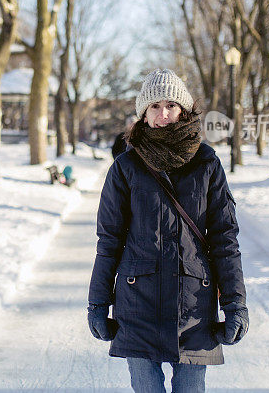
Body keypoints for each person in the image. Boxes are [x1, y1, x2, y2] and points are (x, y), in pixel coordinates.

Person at [87, 69, 248, 393]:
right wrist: (97, 304)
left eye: (171, 105)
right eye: (155, 106)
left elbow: (224, 239)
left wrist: (235, 304)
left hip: (194, 303)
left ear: (184, 110)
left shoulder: (207, 163)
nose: (163, 114)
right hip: (137, 304)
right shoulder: (126, 166)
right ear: (143, 114)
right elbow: (109, 241)